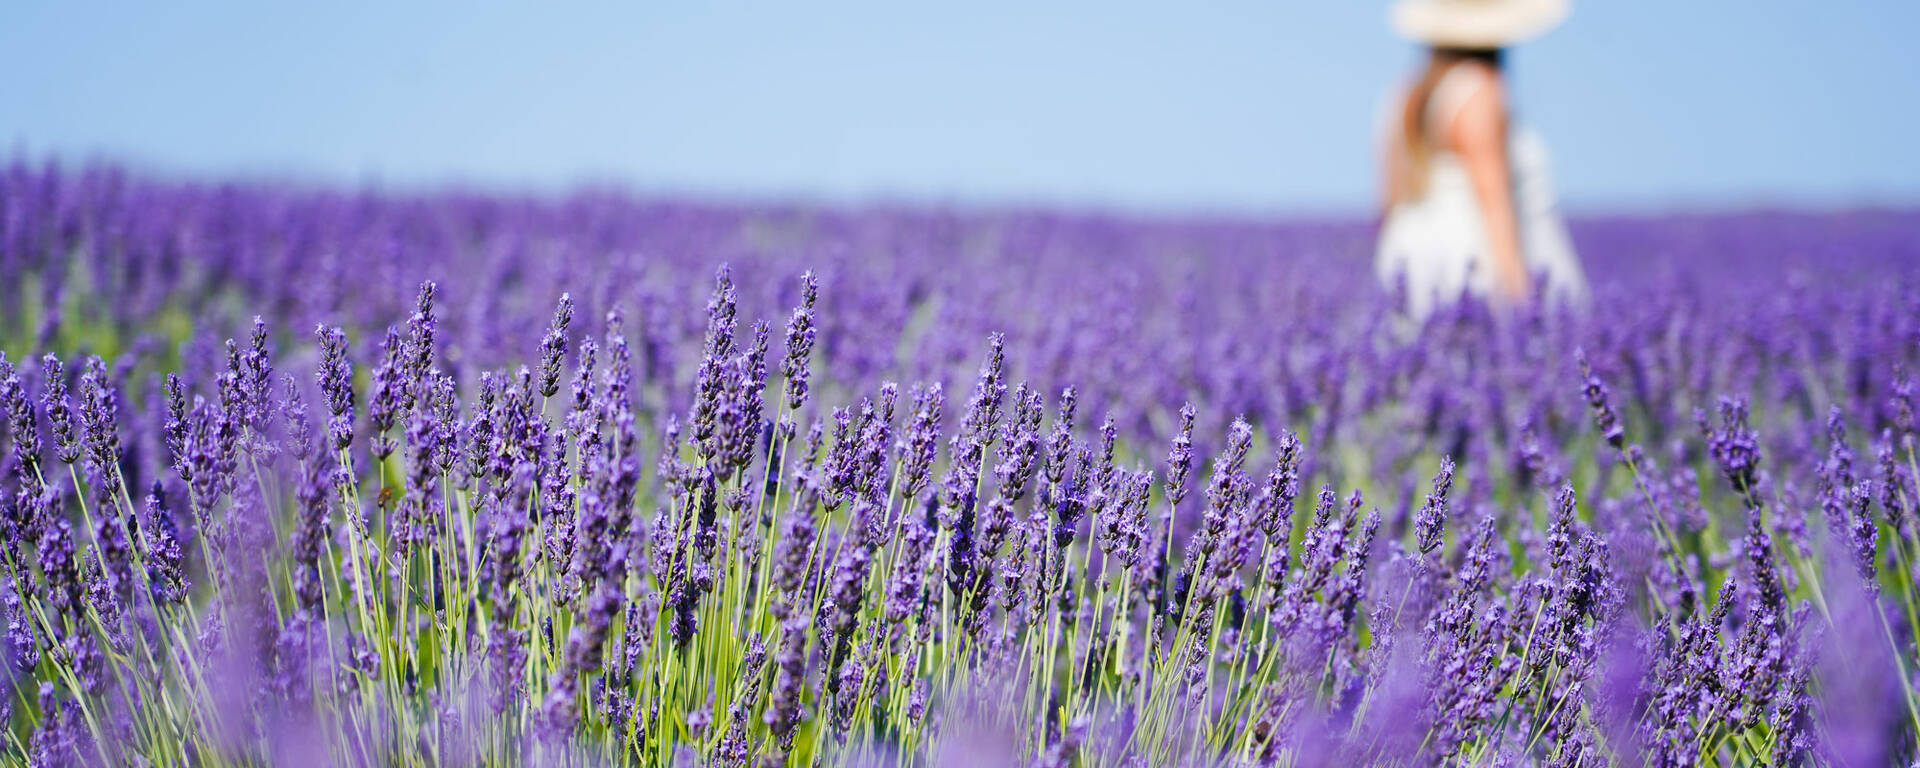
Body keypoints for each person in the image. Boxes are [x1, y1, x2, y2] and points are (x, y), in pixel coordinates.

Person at [1375, 0, 1588, 318]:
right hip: (1473, 264)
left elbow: (1389, 198)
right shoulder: (1480, 91)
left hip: (1412, 261)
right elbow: (1495, 207)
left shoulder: (1409, 93)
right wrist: (1521, 298)